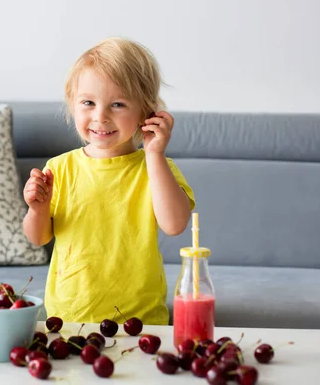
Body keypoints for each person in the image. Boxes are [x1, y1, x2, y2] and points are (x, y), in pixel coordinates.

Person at [22, 37, 195, 325]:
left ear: (146, 112)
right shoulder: (59, 168)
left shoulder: (155, 166)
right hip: (68, 316)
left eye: (117, 104)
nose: (100, 116)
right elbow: (38, 238)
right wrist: (37, 210)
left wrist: (155, 154)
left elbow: (175, 225)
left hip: (140, 319)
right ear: (72, 105)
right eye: (88, 102)